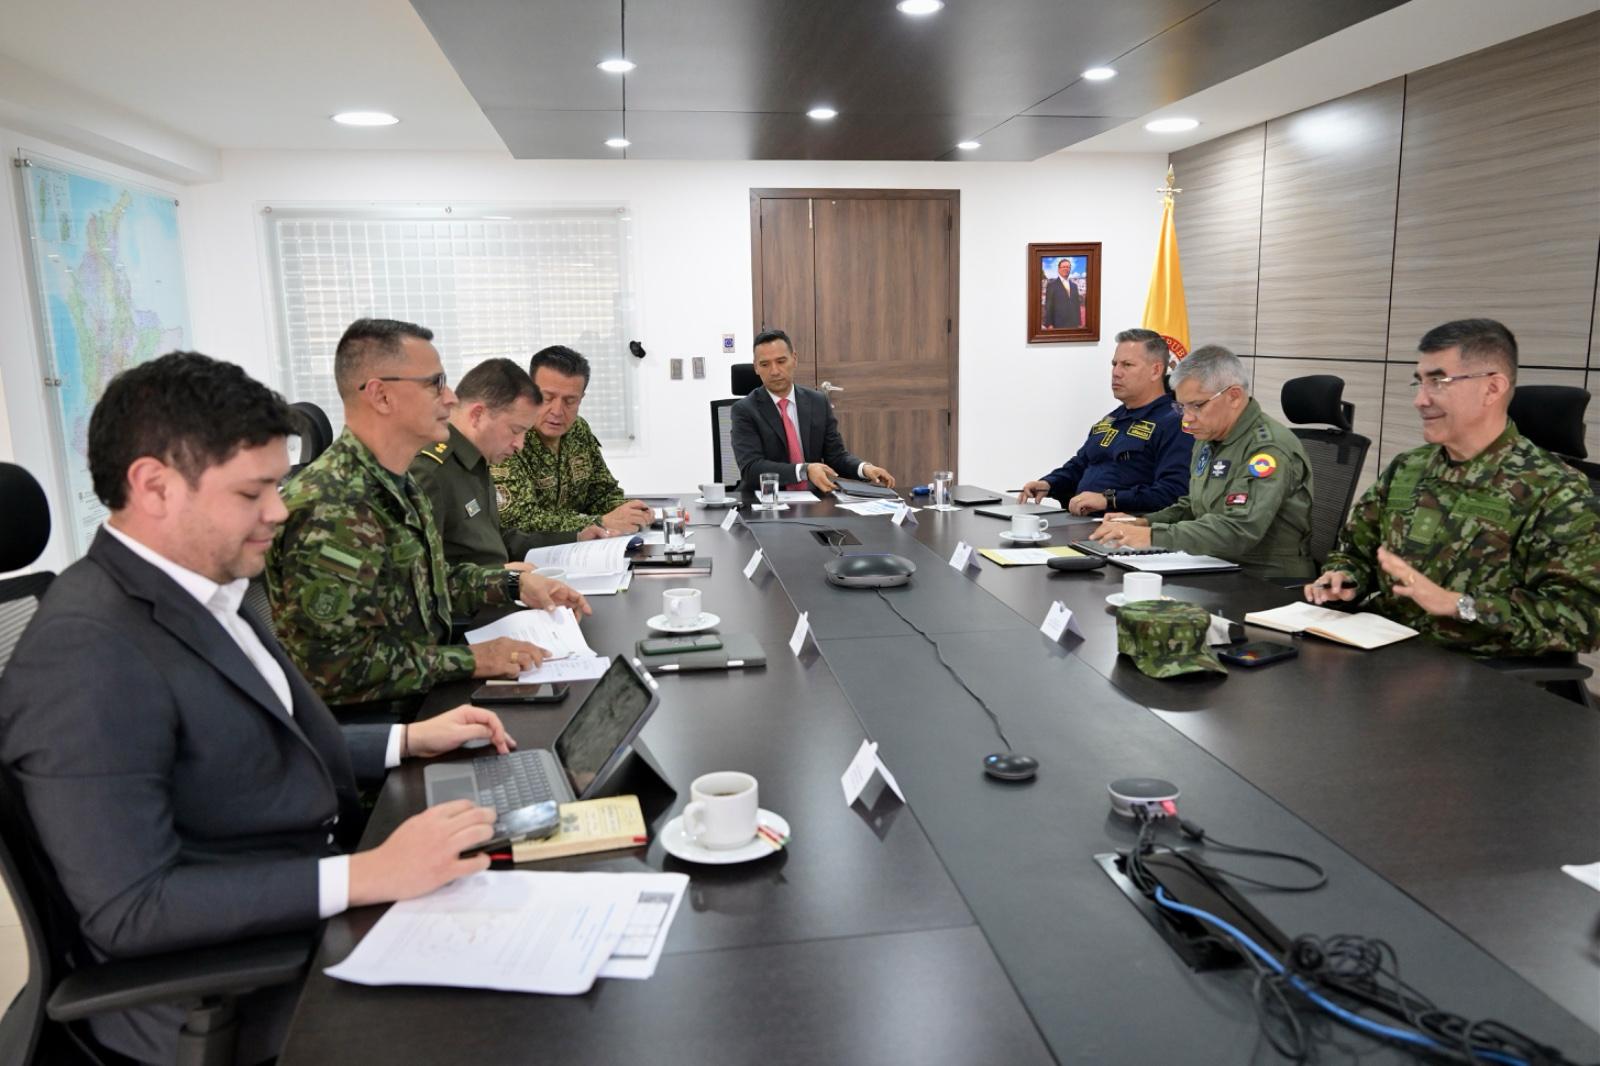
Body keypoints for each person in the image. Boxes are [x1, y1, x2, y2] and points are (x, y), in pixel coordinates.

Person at [0, 352, 513, 1065]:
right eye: (254, 492)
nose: (279, 510)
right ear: (154, 486)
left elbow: (248, 744)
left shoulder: (203, 589)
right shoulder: (86, 651)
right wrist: (367, 875)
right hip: (233, 995)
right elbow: (131, 910)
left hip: (306, 898)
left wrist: (405, 739)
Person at [267, 319, 590, 720]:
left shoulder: (396, 482)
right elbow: (336, 672)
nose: (451, 397)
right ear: (382, 396)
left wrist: (513, 583)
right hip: (384, 727)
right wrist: (471, 660)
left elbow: (428, 583)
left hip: (425, 694)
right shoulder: (328, 505)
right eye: (434, 383)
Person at [1306, 319, 1600, 656]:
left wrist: (1461, 605)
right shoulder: (1408, 468)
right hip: (1382, 649)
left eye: (1439, 381)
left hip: (1477, 674)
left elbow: (1584, 617)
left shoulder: (1555, 490)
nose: (1420, 399)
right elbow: (1356, 551)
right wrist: (1344, 578)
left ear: (1493, 388)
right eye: (1419, 382)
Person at [1090, 344, 1314, 580]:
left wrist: (1153, 535)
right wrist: (1143, 522)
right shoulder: (1210, 437)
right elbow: (1194, 506)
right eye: (1181, 407)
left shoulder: (1267, 450)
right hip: (1215, 565)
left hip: (1266, 580)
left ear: (1234, 396)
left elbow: (1239, 530)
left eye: (1197, 406)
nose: (1186, 419)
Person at [410, 357, 606, 568]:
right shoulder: (430, 472)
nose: (519, 445)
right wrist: (502, 579)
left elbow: (496, 540)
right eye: (515, 430)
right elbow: (418, 578)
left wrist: (574, 539)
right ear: (478, 415)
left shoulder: (477, 459)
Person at [1016, 328, 1190, 515]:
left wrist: (1109, 499)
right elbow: (1081, 464)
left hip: (1130, 529)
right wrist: (1049, 483)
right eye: (1114, 364)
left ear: (1156, 370)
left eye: (1127, 365)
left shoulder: (1175, 422)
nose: (1116, 372)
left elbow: (1173, 493)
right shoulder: (1112, 419)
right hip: (1083, 522)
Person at [493, 344, 654, 535]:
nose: (557, 411)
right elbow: (518, 520)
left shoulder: (578, 429)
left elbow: (601, 494)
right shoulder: (509, 437)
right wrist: (600, 522)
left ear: (581, 398)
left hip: (582, 552)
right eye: (547, 398)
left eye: (570, 401)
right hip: (530, 559)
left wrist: (631, 511)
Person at [729, 328, 896, 494]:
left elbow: (835, 456)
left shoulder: (817, 402)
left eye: (781, 361)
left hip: (814, 499)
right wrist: (805, 470)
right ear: (756, 368)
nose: (774, 371)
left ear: (794, 359)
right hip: (766, 501)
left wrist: (864, 468)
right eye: (765, 364)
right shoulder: (744, 410)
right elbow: (751, 468)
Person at [1042, 257, 1083, 330]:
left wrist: (1079, 323)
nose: (1066, 269)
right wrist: (1049, 324)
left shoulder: (1074, 286)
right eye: (1063, 267)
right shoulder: (1052, 285)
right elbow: (1048, 306)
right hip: (1058, 325)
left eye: (1068, 267)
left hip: (1073, 324)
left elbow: (1077, 305)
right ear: (1059, 269)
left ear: (1070, 269)